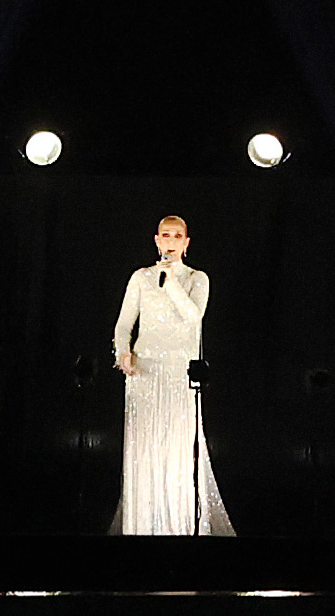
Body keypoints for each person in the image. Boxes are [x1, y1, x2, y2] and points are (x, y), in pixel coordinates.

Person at [111, 216, 234, 535]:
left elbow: (194, 318)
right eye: (165, 235)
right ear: (156, 240)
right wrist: (122, 353)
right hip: (145, 372)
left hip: (180, 375)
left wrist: (171, 278)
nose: (170, 240)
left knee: (177, 449)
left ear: (186, 242)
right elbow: (124, 325)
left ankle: (178, 527)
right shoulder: (140, 277)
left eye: (177, 236)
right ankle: (142, 526)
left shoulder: (197, 279)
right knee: (145, 450)